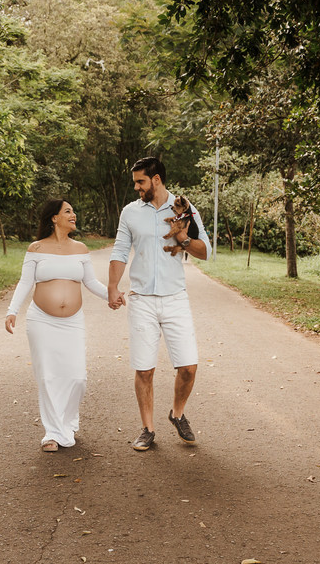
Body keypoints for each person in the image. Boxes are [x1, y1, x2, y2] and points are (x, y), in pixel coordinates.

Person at [108, 156, 211, 451]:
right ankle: (147, 429)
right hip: (141, 300)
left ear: (156, 180)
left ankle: (177, 414)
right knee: (144, 369)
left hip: (175, 298)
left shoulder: (186, 209)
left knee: (189, 367)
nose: (137, 188)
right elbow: (119, 250)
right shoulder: (130, 212)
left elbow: (206, 251)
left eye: (141, 182)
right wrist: (113, 286)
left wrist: (182, 237)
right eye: (135, 183)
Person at [5, 199, 109, 452]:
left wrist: (115, 296)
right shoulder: (37, 248)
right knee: (48, 377)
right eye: (68, 211)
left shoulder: (81, 249)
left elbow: (92, 283)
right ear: (54, 218)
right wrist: (12, 311)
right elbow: (25, 282)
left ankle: (69, 422)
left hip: (72, 322)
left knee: (77, 377)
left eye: (73, 210)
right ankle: (52, 432)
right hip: (41, 320)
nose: (74, 214)